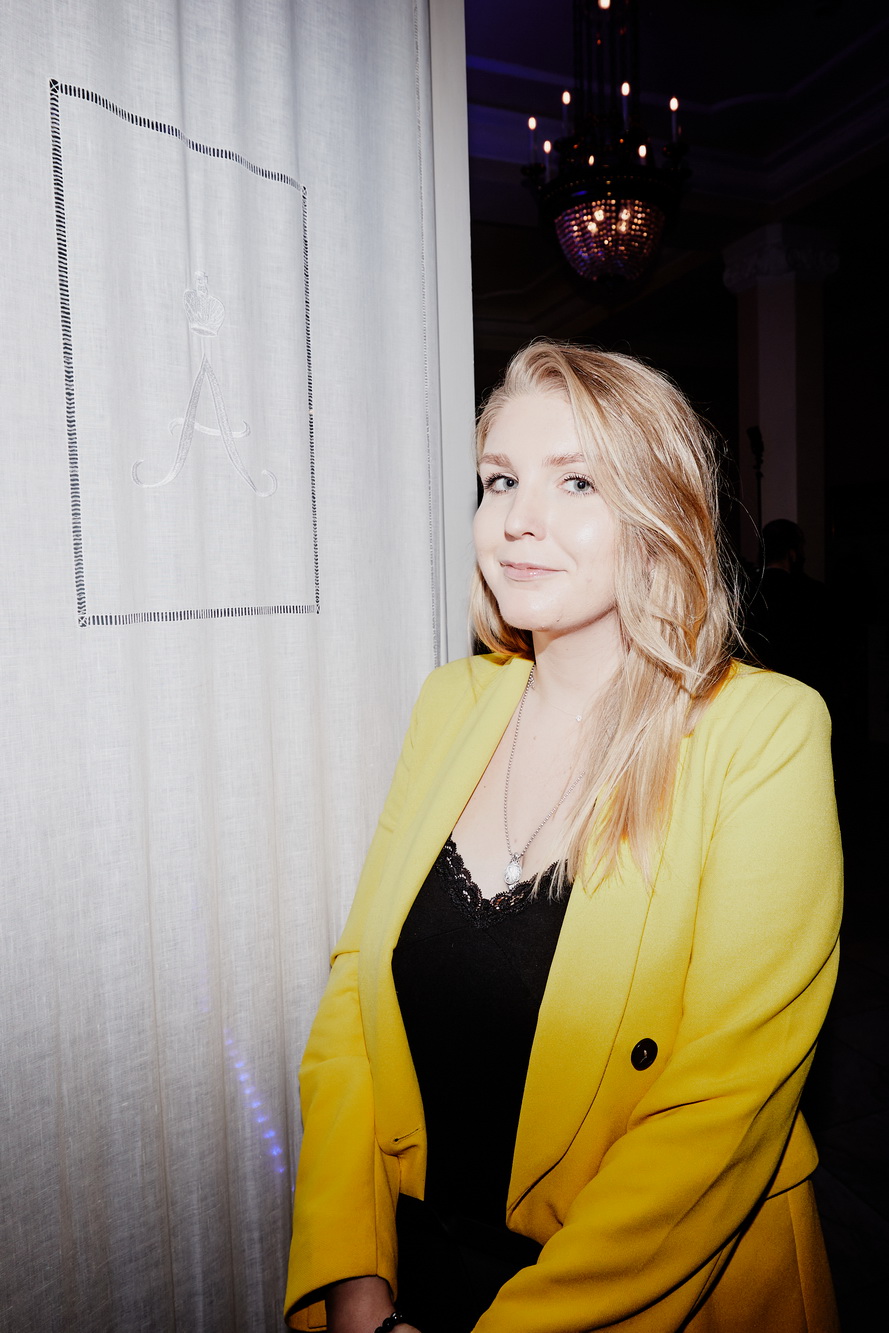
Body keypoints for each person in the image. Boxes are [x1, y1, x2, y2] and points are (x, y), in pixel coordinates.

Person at [284, 341, 842, 1333]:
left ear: (660, 513)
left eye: (576, 481)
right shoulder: (451, 702)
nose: (516, 520)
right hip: (420, 1270)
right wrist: (356, 1289)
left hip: (656, 1291)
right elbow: (352, 1006)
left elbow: (719, 1109)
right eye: (500, 480)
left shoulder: (762, 732)